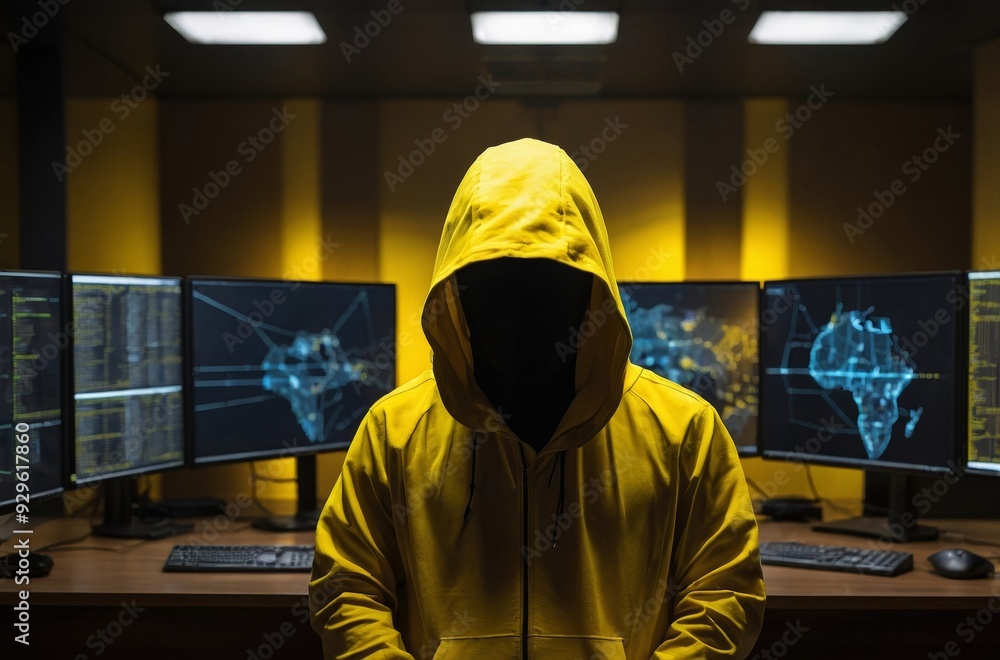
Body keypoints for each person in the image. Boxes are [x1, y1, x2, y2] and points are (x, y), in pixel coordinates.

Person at [310, 137, 766, 659]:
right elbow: (346, 588)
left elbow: (725, 594)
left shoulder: (685, 432)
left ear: (592, 294)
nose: (521, 320)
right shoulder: (394, 431)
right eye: (496, 290)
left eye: (547, 288)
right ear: (456, 297)